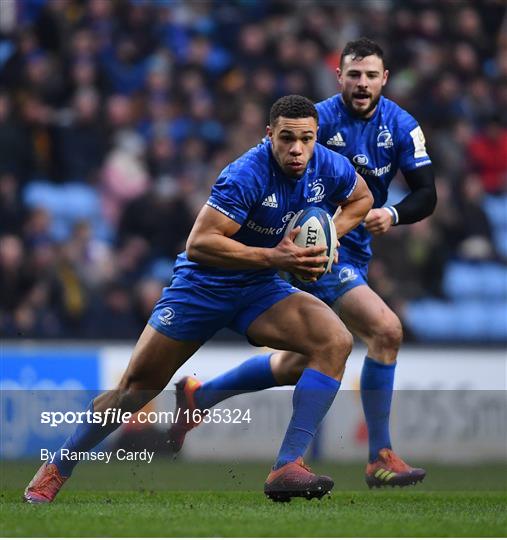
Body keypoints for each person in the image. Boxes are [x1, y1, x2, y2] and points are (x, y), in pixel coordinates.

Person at [23, 95, 373, 504]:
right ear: (269, 135)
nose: (297, 149)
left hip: (260, 287)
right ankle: (56, 468)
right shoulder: (246, 174)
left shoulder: (327, 165)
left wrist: (328, 236)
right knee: (135, 391)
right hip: (202, 288)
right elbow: (200, 242)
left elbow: (362, 198)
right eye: (287, 138)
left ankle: (287, 464)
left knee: (334, 341)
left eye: (306, 139)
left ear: (316, 138)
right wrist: (273, 256)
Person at [168, 38, 435, 489]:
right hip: (308, 251)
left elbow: (427, 193)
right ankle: (379, 456)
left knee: (302, 360)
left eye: (371, 75)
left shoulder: (403, 126)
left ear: (384, 78)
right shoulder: (312, 119)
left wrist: (391, 213)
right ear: (340, 77)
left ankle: (203, 394)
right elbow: (263, 162)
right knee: (385, 329)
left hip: (352, 247)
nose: (362, 83)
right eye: (354, 74)